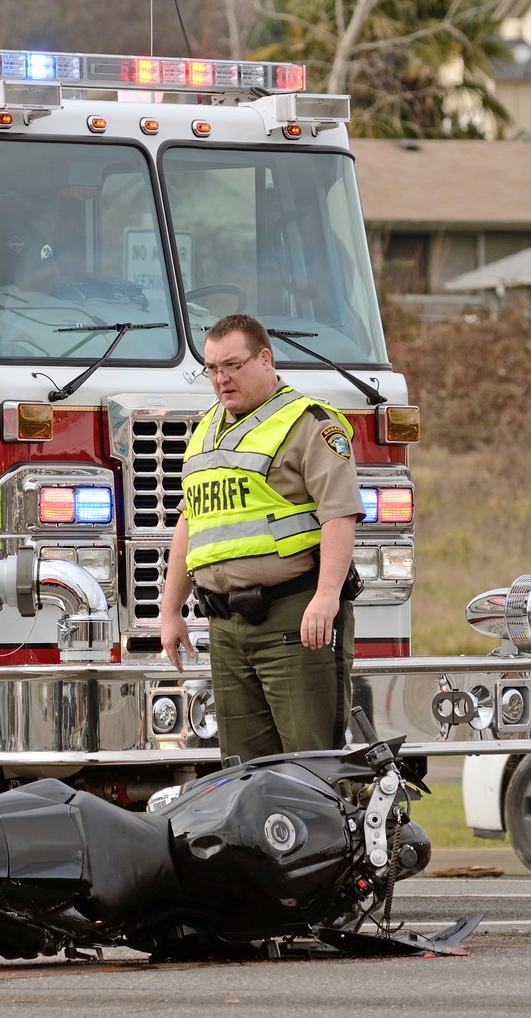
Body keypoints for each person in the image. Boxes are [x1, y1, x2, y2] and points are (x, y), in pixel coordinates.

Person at [159, 313, 365, 764]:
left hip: (294, 615)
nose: (221, 379)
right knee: (244, 773)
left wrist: (326, 597)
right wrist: (170, 610)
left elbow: (340, 513)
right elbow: (189, 526)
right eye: (212, 369)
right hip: (227, 626)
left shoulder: (310, 423)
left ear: (265, 359)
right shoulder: (205, 431)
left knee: (313, 766)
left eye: (231, 365)